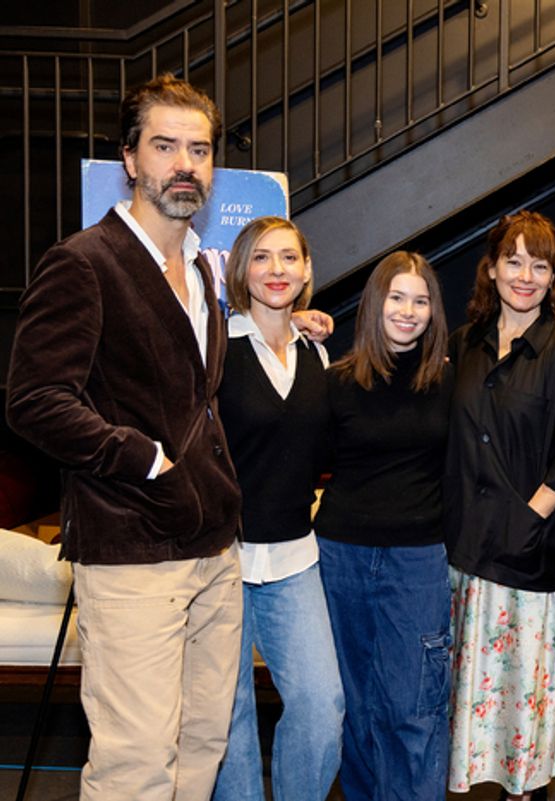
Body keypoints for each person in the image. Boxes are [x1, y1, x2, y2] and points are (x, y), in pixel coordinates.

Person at [5, 74, 243, 801]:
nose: (184, 165)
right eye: (165, 145)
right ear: (130, 159)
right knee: (136, 764)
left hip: (213, 550)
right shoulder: (85, 262)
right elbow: (35, 399)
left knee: (202, 742)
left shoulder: (205, 267)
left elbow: (190, 393)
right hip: (129, 551)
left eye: (198, 150)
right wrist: (145, 459)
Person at [444, 210, 555, 799]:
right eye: (513, 260)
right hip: (463, 553)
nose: (525, 275)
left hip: (528, 560)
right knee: (471, 703)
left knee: (518, 710)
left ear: (554, 277)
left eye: (540, 264)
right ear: (491, 267)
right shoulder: (463, 344)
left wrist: (527, 516)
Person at [212, 217, 344, 801]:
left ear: (307, 270)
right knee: (229, 714)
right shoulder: (214, 345)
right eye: (261, 258)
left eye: (289, 258)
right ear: (241, 269)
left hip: (295, 558)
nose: (276, 271)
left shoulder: (317, 351)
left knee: (322, 704)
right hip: (221, 562)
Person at [315, 251, 454, 800]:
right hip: (340, 555)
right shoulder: (335, 382)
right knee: (354, 707)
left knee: (413, 707)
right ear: (375, 303)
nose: (408, 310)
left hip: (417, 559)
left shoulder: (449, 378)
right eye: (397, 297)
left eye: (421, 301)